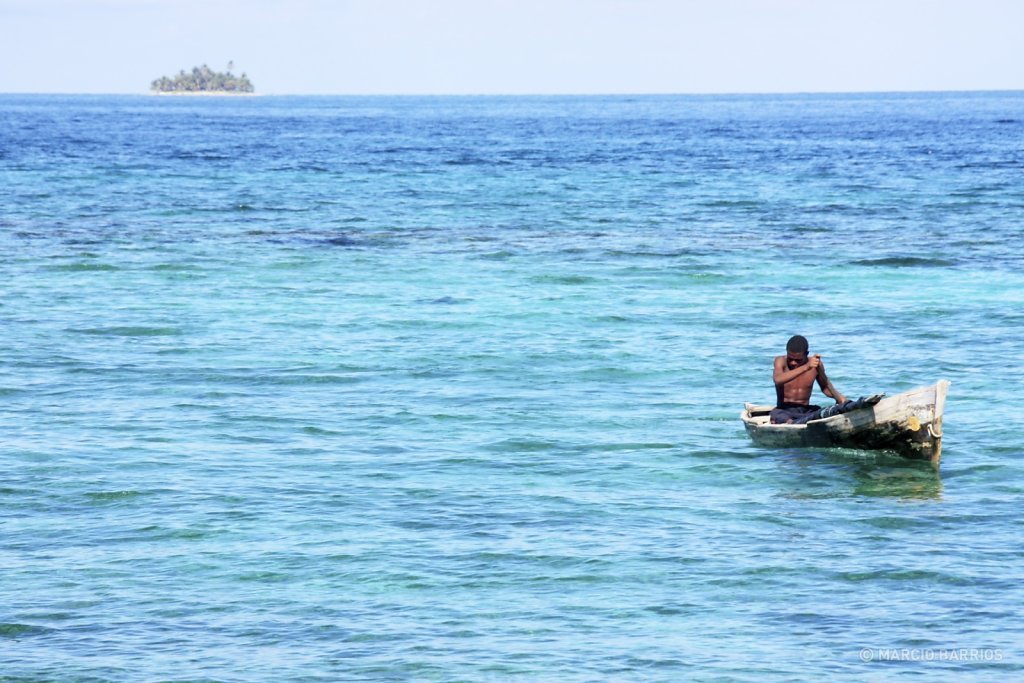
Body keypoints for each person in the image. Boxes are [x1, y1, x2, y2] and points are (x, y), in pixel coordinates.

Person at [770, 335, 883, 425]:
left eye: (798, 360)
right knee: (777, 415)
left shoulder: (815, 365)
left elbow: (825, 387)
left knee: (825, 411)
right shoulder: (781, 361)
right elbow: (778, 379)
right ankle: (792, 424)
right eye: (791, 359)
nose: (793, 363)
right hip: (784, 409)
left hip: (806, 410)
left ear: (806, 354)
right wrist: (806, 367)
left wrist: (841, 400)